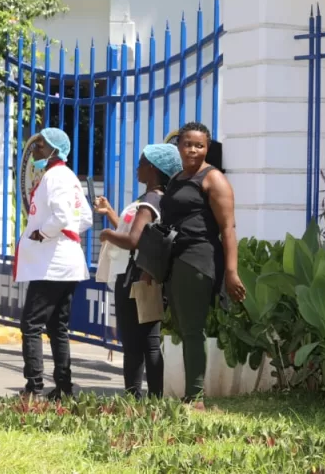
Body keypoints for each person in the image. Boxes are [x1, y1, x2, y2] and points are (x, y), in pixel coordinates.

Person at [161, 122, 245, 406]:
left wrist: (231, 272)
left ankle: (195, 396)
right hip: (175, 259)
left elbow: (228, 228)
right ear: (178, 146)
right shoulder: (177, 178)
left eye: (199, 145)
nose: (193, 150)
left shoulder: (214, 179)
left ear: (207, 148)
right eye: (188, 144)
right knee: (184, 327)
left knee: (193, 329)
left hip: (198, 259)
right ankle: (191, 393)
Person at [94, 143, 183, 399]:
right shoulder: (158, 199)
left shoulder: (149, 202)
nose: (137, 168)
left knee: (136, 345)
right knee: (149, 341)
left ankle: (134, 398)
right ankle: (155, 399)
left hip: (133, 277)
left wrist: (107, 234)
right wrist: (112, 215)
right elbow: (140, 234)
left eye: (141, 163)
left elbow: (132, 240)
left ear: (153, 168)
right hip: (146, 275)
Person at [14, 128, 92, 399]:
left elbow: (61, 216)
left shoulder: (56, 176)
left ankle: (34, 386)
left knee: (31, 325)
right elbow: (85, 218)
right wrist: (65, 234)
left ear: (54, 151)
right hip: (64, 263)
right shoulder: (67, 176)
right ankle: (63, 387)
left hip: (52, 265)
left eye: (40, 147)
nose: (34, 151)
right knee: (58, 327)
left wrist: (44, 233)